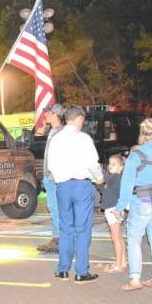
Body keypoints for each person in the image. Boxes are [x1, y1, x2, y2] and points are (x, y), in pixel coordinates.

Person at [47, 105, 103, 283]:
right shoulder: (84, 138)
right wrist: (99, 178)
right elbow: (92, 163)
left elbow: (50, 166)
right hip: (81, 186)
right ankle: (81, 271)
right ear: (79, 119)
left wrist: (59, 179)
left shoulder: (56, 138)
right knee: (83, 229)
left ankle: (63, 269)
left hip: (62, 186)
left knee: (65, 228)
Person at [117, 118, 152, 291]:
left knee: (134, 240)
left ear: (142, 133)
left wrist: (121, 206)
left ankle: (135, 279)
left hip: (142, 201)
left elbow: (127, 183)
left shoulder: (136, 155)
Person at [36, 103, 66, 254]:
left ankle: (59, 240)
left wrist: (54, 174)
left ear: (55, 114)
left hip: (55, 177)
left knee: (56, 209)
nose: (45, 115)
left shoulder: (60, 132)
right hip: (50, 176)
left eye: (47, 113)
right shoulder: (53, 131)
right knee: (54, 208)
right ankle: (58, 238)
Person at [100, 154, 126, 273]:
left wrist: (98, 169)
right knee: (118, 237)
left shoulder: (116, 178)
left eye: (114, 164)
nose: (110, 166)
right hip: (113, 209)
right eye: (110, 164)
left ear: (121, 167)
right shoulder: (114, 179)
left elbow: (106, 179)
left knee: (115, 238)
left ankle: (119, 264)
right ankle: (122, 262)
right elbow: (105, 190)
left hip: (113, 210)